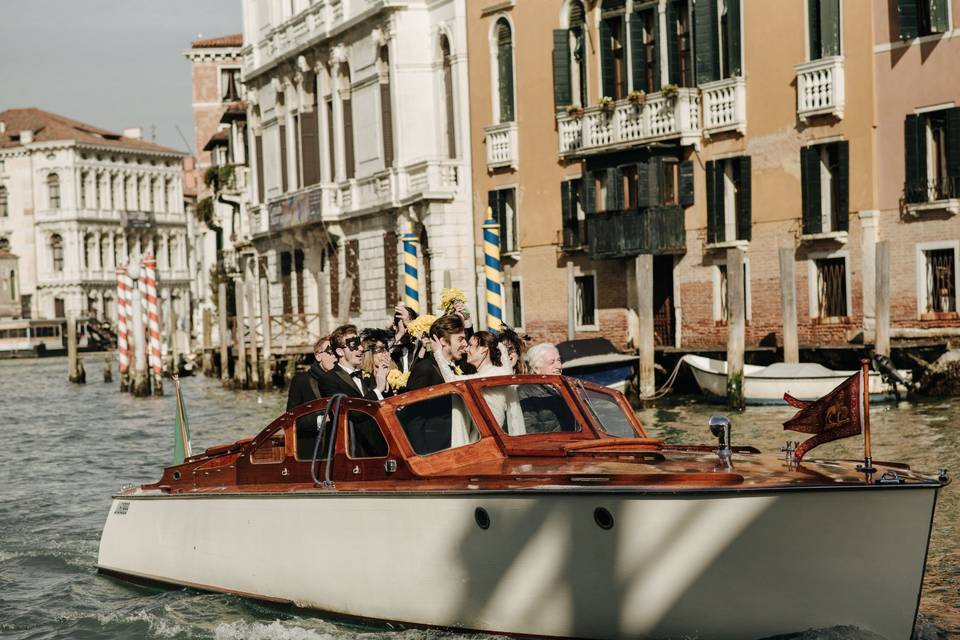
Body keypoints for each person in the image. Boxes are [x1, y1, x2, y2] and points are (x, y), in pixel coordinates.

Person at [430, 330, 524, 436]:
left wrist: (438, 352)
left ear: (484, 350)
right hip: (481, 436)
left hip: (491, 439)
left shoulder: (494, 373)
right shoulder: (491, 373)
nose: (466, 349)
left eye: (470, 345)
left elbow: (452, 381)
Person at [317, 324, 389, 401]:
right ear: (340, 352)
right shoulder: (328, 380)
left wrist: (384, 381)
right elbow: (347, 411)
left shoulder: (367, 375)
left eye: (360, 344)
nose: (361, 348)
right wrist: (378, 390)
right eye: (354, 345)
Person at [405, 314, 468, 391]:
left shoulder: (460, 366)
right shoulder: (424, 369)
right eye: (460, 339)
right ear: (443, 341)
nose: (465, 344)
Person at [519, 342, 570, 433]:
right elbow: (529, 431)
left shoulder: (567, 388)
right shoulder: (525, 392)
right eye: (552, 362)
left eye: (559, 360)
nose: (558, 366)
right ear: (537, 369)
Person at [286, 335, 338, 411]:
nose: (335, 356)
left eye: (337, 351)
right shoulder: (301, 381)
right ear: (318, 356)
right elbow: (291, 416)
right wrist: (319, 419)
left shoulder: (344, 378)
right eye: (331, 352)